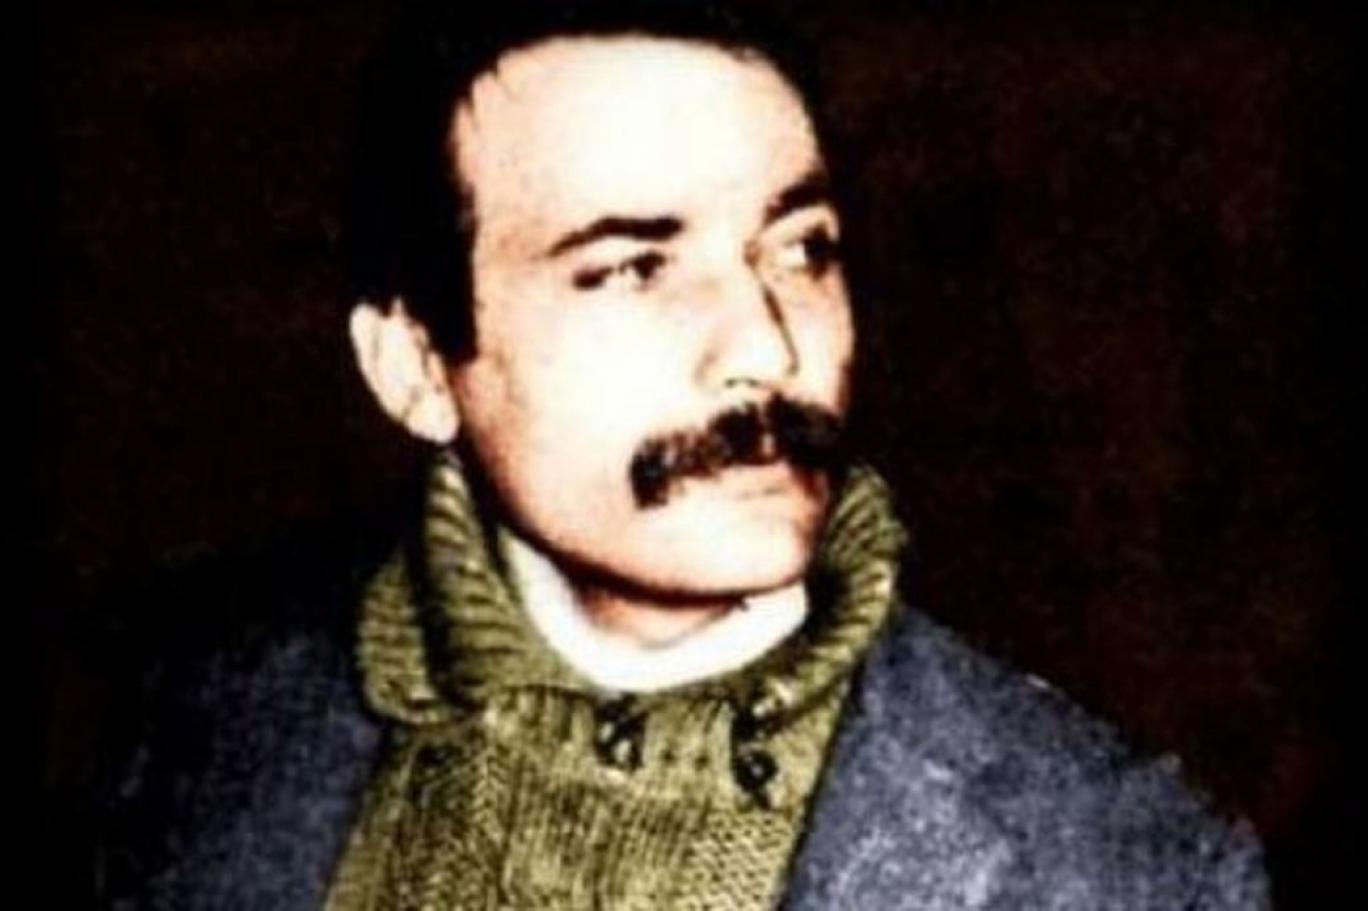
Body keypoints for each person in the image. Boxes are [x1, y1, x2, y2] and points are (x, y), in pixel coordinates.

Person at [89, 1, 1269, 908]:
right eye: (632, 267)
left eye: (802, 249)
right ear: (414, 366)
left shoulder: (1123, 865)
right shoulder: (189, 726)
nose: (765, 346)